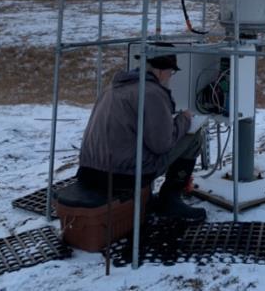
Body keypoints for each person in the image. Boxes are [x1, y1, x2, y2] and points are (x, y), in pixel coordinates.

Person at [76, 45, 206, 222]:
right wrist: (184, 119)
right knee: (193, 137)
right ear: (161, 71)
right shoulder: (152, 92)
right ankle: (170, 199)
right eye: (170, 72)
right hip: (122, 175)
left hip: (88, 171)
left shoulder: (113, 88)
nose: (170, 77)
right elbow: (162, 144)